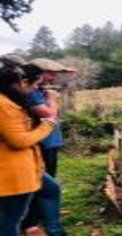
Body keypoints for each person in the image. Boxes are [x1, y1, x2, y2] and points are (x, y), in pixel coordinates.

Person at [0, 55, 57, 236]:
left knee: (51, 189)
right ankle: (35, 227)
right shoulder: (4, 105)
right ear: (23, 82)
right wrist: (48, 125)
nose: (34, 89)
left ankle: (53, 229)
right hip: (12, 171)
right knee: (9, 219)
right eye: (34, 84)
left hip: (26, 165)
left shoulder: (11, 100)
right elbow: (19, 140)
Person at [22, 59, 74, 236]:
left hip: (50, 141)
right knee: (40, 185)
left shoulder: (39, 90)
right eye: (51, 73)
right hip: (41, 143)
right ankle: (32, 224)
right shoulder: (33, 93)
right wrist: (52, 99)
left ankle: (46, 216)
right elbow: (49, 114)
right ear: (38, 74)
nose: (54, 77)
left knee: (48, 182)